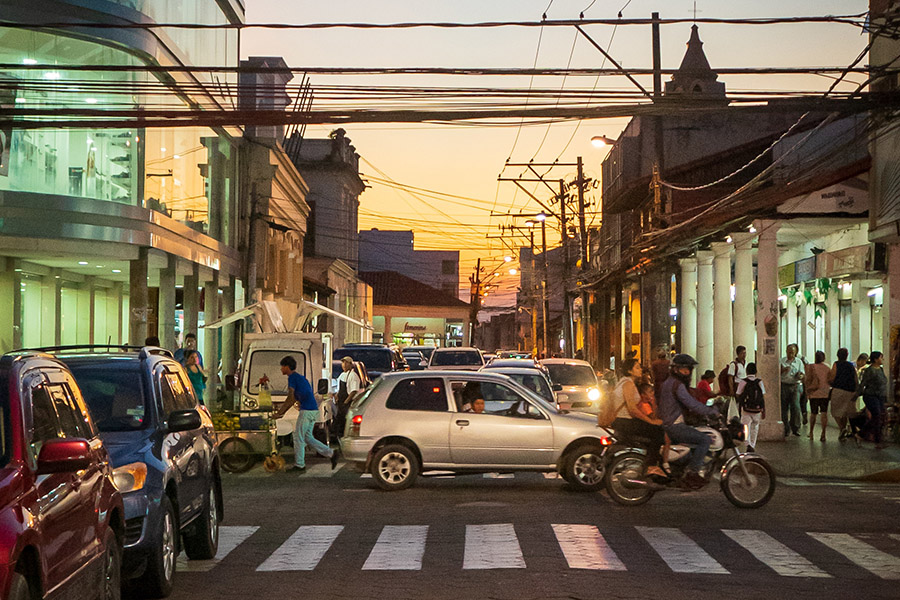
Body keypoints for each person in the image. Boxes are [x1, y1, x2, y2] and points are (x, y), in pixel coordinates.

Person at [657, 354, 720, 489]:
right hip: (673, 425)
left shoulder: (669, 382)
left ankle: (684, 469)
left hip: (669, 422)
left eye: (689, 369)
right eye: (684, 369)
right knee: (705, 440)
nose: (687, 372)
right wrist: (711, 411)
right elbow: (691, 404)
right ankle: (693, 473)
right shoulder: (676, 384)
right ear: (675, 369)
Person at [273, 355, 337, 472]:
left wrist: (280, 412)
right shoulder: (300, 378)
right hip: (312, 409)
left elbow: (290, 398)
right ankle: (331, 453)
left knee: (298, 437)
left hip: (307, 410)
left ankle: (300, 465)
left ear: (287, 367)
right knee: (308, 437)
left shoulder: (292, 378)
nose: (281, 369)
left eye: (282, 367)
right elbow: (303, 394)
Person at [608, 358, 667, 479]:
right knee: (658, 432)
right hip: (625, 421)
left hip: (621, 421)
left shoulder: (622, 382)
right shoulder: (628, 384)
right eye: (637, 367)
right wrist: (651, 421)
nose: (640, 370)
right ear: (630, 371)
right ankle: (651, 466)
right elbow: (632, 409)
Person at [858, 351, 888, 449]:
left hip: (880, 396)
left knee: (878, 417)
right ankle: (876, 440)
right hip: (871, 395)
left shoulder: (881, 369)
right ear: (875, 359)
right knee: (877, 415)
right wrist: (857, 394)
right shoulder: (869, 370)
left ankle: (862, 434)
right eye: (880, 358)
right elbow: (863, 383)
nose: (882, 359)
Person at [828, 347, 858, 440]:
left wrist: (829, 382)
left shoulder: (836, 364)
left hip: (838, 390)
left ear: (837, 355)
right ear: (847, 355)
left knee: (835, 411)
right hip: (850, 391)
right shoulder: (851, 366)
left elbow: (832, 377)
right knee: (845, 411)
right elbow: (856, 379)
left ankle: (842, 428)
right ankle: (843, 432)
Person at [735, 362, 766, 453]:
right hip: (757, 409)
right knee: (755, 427)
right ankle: (752, 444)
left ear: (747, 371)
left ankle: (747, 443)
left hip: (746, 409)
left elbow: (738, 394)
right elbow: (763, 396)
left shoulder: (743, 381)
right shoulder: (759, 382)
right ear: (756, 371)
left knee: (746, 426)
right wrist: (763, 409)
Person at [805, 351, 832, 442]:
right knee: (824, 413)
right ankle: (823, 433)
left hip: (814, 393)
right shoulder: (827, 367)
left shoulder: (811, 367)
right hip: (825, 393)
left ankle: (811, 432)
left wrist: (807, 391)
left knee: (813, 413)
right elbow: (830, 379)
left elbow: (807, 380)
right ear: (823, 358)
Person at [334, 356, 362, 440]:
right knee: (339, 421)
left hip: (347, 403)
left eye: (346, 363)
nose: (344, 365)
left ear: (350, 364)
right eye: (343, 363)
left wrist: (346, 402)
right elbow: (339, 388)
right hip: (340, 403)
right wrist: (336, 395)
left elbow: (353, 391)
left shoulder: (353, 376)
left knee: (345, 422)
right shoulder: (342, 375)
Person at [780, 343, 804, 437]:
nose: (790, 355)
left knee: (796, 406)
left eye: (792, 353)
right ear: (786, 351)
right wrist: (783, 370)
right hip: (784, 385)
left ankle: (795, 427)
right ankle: (786, 428)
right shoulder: (781, 361)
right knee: (784, 407)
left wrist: (800, 375)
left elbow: (802, 374)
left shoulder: (798, 362)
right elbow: (775, 373)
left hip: (795, 386)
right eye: (789, 352)